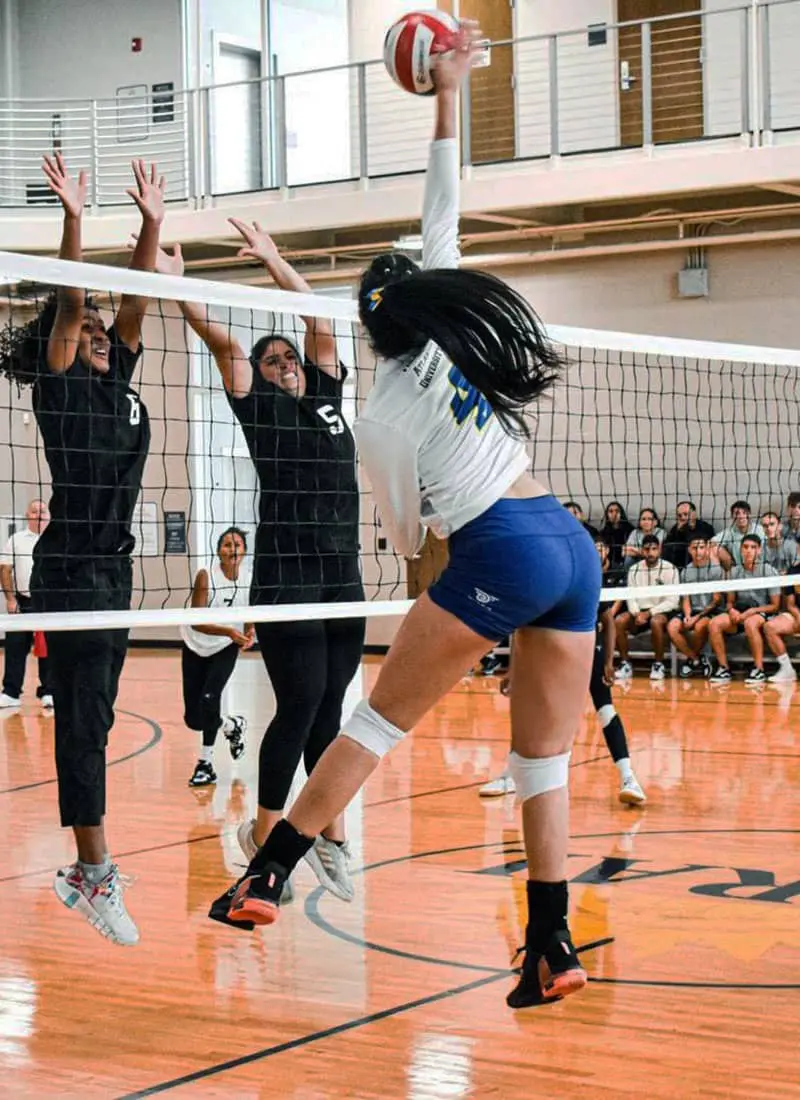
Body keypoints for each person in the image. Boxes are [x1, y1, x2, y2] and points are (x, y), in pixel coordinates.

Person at [209, 24, 601, 1012]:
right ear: (422, 300)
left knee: (373, 722)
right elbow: (443, 200)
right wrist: (447, 91)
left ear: (369, 324)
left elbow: (403, 534)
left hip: (498, 550)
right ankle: (548, 945)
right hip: (565, 540)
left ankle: (268, 871)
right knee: (537, 758)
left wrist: (423, 552)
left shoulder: (380, 412)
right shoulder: (453, 338)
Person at [154, 221, 364, 905]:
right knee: (300, 701)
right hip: (289, 574)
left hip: (343, 574)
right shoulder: (260, 407)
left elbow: (318, 321)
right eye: (272, 361)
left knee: (331, 713)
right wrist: (180, 289)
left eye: (289, 359)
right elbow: (220, 341)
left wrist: (276, 258)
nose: (284, 366)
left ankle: (328, 834)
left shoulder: (328, 396)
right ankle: (268, 841)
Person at [0, 153, 166, 946]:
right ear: (64, 347)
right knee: (85, 723)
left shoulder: (120, 378)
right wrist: (73, 218)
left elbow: (135, 301)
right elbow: (72, 303)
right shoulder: (59, 386)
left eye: (105, 332)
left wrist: (153, 225)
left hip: (115, 567)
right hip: (70, 568)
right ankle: (91, 871)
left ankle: (89, 867)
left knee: (92, 716)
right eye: (90, 333)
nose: (102, 335)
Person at [481, 538, 645, 805]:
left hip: (584, 651)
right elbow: (521, 628)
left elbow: (607, 621)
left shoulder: (585, 578)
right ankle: (511, 776)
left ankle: (629, 778)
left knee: (605, 711)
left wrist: (607, 661)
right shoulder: (536, 582)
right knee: (529, 711)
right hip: (548, 653)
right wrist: (513, 669)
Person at [181, 526, 252, 788]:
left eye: (237, 545)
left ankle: (205, 763)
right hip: (195, 644)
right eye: (226, 544)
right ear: (218, 550)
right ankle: (232, 725)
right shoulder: (206, 576)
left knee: (211, 698)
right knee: (193, 719)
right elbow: (197, 621)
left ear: (243, 551)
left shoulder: (249, 578)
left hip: (224, 647)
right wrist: (231, 630)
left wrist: (250, 631)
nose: (232, 549)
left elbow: (250, 612)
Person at [0, 498, 53, 709]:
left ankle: (49, 691)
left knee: (49, 648)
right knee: (14, 647)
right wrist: (11, 599)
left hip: (50, 602)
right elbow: (5, 569)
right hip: (23, 602)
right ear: (27, 516)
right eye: (34, 511)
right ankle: (11, 692)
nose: (38, 514)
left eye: (42, 511)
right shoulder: (16, 539)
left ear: (49, 515)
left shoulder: (57, 540)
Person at [708, 535, 781, 684]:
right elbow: (730, 602)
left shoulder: (768, 571)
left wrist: (752, 612)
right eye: (745, 547)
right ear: (740, 550)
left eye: (753, 548)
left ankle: (759, 669)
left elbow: (775, 605)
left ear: (759, 550)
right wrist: (732, 611)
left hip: (763, 612)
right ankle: (724, 669)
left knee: (750, 623)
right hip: (740, 613)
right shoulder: (734, 572)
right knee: (714, 623)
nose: (749, 551)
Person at [614, 535, 680, 681]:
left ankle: (658, 664)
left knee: (655, 621)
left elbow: (673, 601)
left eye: (654, 549)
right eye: (647, 549)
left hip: (661, 610)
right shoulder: (634, 570)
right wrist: (637, 613)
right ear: (642, 551)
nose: (650, 553)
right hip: (639, 611)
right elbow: (631, 596)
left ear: (660, 550)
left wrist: (649, 613)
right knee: (619, 621)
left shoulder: (671, 569)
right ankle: (625, 664)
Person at [666, 536, 724, 678]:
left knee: (700, 626)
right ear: (689, 550)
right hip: (693, 611)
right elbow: (686, 598)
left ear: (707, 549)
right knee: (672, 627)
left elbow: (716, 601)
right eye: (694, 548)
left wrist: (696, 618)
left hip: (711, 610)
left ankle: (692, 661)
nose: (698, 551)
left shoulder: (716, 569)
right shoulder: (686, 571)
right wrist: (687, 615)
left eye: (701, 547)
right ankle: (695, 658)